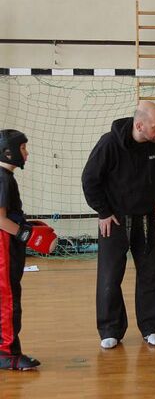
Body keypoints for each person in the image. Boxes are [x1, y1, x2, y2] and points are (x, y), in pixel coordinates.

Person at [82, 101, 155, 349]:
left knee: (151, 274)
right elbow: (90, 179)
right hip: (114, 220)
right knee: (110, 276)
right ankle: (110, 329)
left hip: (146, 218)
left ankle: (151, 328)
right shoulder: (109, 144)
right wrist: (103, 212)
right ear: (139, 126)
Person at [0, 129, 58, 371]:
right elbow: (0, 219)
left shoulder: (6, 177)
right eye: (23, 148)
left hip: (7, 244)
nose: (26, 153)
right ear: (8, 152)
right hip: (4, 247)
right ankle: (7, 354)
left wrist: (29, 225)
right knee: (8, 300)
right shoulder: (2, 178)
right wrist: (27, 235)